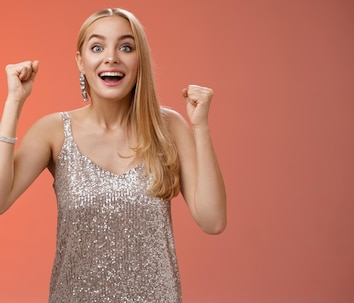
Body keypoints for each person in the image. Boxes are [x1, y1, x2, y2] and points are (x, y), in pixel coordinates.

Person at [0, 7, 227, 302]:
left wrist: (200, 126)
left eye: (125, 47)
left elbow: (213, 221)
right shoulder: (54, 130)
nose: (111, 58)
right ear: (81, 61)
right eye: (97, 47)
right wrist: (14, 103)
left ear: (139, 59)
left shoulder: (168, 127)